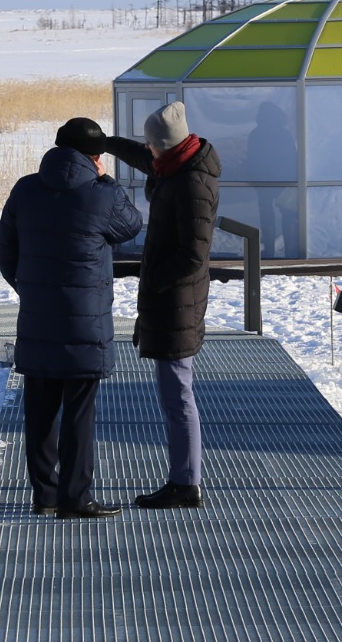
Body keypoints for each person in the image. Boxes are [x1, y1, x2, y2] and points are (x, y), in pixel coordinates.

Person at [0, 117, 143, 520]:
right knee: (79, 413)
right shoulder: (101, 194)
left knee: (40, 411)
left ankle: (44, 495)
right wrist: (108, 183)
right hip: (85, 323)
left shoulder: (26, 188)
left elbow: (5, 250)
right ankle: (75, 499)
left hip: (38, 319)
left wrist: (29, 288)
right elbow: (132, 226)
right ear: (96, 157)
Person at [104, 101, 221, 509]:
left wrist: (151, 280)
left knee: (178, 395)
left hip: (177, 301)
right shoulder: (178, 163)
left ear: (165, 147)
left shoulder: (191, 183)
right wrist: (106, 143)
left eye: (151, 146)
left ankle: (186, 483)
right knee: (176, 392)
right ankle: (183, 478)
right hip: (173, 298)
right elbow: (144, 158)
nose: (147, 151)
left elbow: (193, 253)